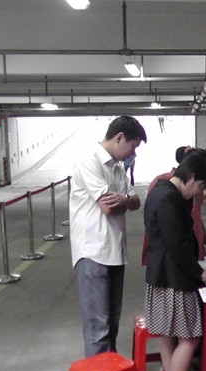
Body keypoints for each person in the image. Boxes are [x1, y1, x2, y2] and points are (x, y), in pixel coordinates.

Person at [143, 149, 206, 371]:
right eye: (201, 186)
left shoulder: (163, 190)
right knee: (190, 338)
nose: (199, 192)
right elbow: (178, 244)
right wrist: (199, 272)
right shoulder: (168, 199)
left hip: (162, 275)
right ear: (191, 176)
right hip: (174, 278)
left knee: (169, 335)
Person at [69, 115, 146, 357]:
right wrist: (123, 202)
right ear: (119, 137)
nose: (133, 152)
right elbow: (108, 208)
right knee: (98, 330)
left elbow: (135, 202)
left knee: (112, 324)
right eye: (132, 146)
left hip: (115, 253)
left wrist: (123, 199)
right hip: (93, 254)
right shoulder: (89, 161)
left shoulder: (117, 168)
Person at [141, 146, 206, 265]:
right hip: (172, 263)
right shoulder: (166, 194)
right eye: (201, 186)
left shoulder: (185, 191)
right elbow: (173, 241)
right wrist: (196, 271)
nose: (200, 191)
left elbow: (197, 218)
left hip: (189, 252)